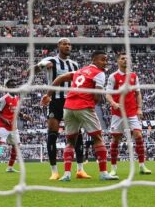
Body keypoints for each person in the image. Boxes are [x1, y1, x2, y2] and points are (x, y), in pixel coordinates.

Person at [41, 51, 118, 181]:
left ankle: (66, 174)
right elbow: (97, 94)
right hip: (84, 106)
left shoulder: (80, 71)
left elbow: (59, 78)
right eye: (103, 60)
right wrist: (93, 104)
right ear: (94, 60)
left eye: (106, 60)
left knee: (71, 140)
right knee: (98, 137)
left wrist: (48, 95)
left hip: (68, 106)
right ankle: (104, 173)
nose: (105, 62)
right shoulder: (99, 73)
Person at [31, 38, 88, 180]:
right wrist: (42, 65)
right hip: (55, 101)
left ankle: (80, 170)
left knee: (77, 135)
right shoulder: (50, 60)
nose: (68, 46)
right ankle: (54, 171)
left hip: (72, 100)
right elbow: (31, 71)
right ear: (58, 46)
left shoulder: (74, 64)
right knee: (52, 135)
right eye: (64, 44)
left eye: (69, 44)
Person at [105, 52, 151, 176]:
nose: (125, 60)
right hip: (118, 113)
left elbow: (137, 93)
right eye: (122, 58)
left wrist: (139, 108)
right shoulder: (113, 76)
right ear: (118, 61)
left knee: (139, 136)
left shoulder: (134, 76)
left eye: (127, 58)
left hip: (131, 112)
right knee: (116, 139)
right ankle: (113, 168)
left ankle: (142, 165)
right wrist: (113, 103)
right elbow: (108, 94)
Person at [0, 78, 32, 173]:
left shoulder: (17, 98)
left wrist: (24, 116)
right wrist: (5, 120)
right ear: (7, 87)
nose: (14, 86)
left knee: (16, 146)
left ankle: (10, 167)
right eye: (11, 84)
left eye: (14, 84)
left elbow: (16, 111)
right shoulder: (4, 98)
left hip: (13, 127)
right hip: (3, 126)